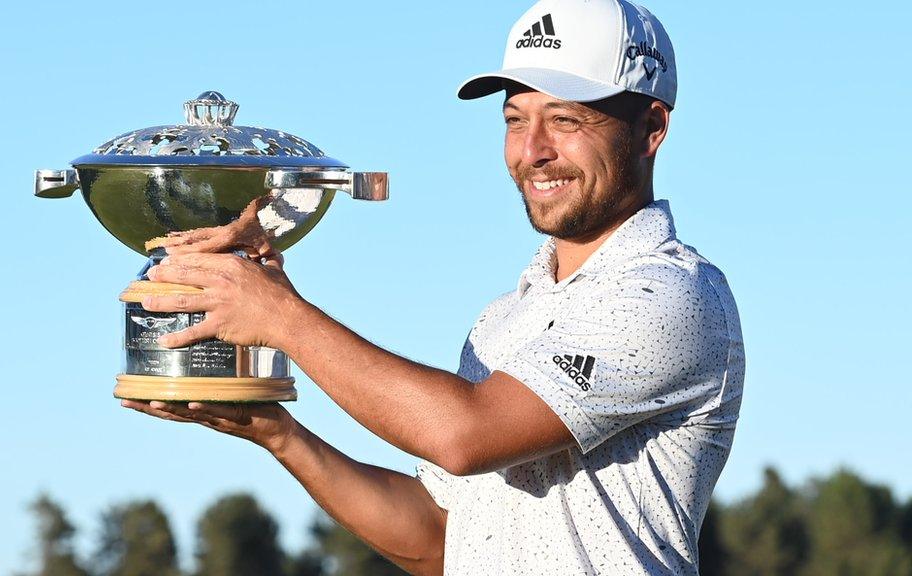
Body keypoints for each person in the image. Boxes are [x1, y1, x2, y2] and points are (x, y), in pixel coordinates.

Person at [121, 0, 745, 574]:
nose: (533, 151)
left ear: (651, 128)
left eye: (566, 119)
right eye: (515, 119)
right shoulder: (505, 318)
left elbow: (463, 436)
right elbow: (436, 538)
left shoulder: (671, 295)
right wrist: (276, 430)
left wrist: (282, 317)